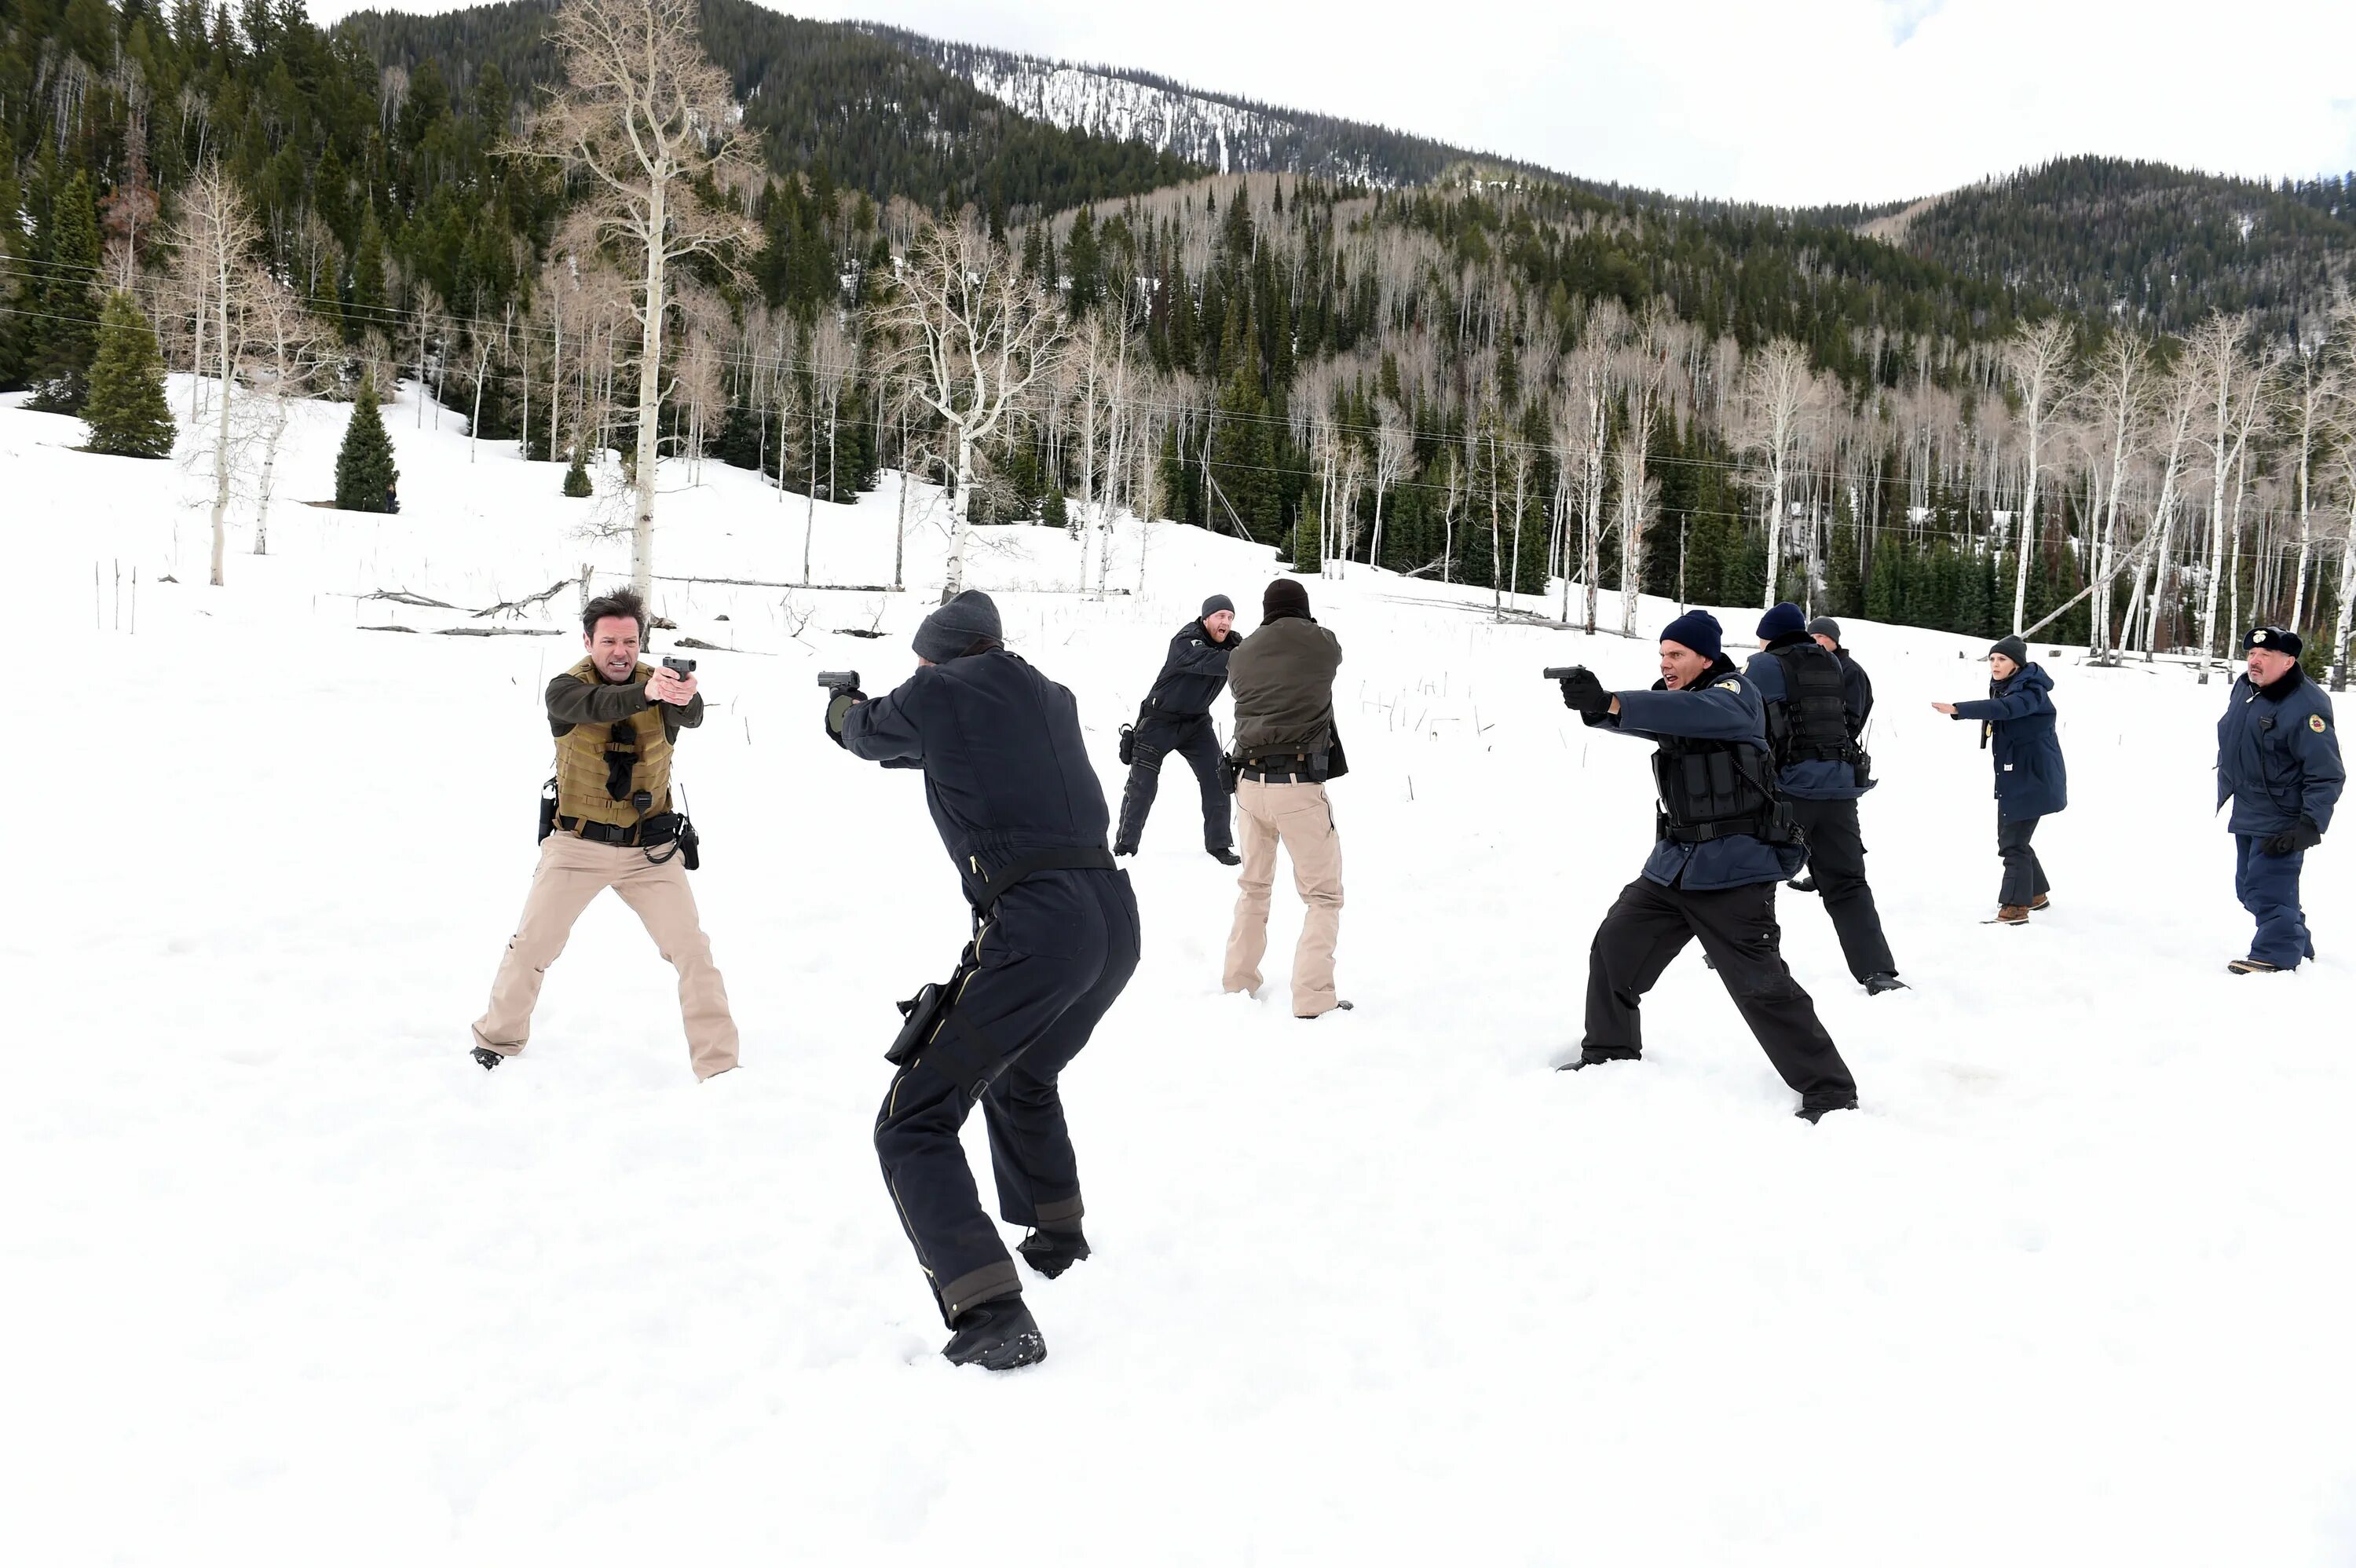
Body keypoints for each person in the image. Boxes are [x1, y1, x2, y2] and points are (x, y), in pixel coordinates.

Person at [828, 590, 1140, 1371]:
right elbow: (939, 749)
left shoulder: (937, 690)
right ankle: (1057, 1236)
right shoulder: (1050, 697)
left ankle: (992, 1311)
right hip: (1114, 919)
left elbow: (871, 735)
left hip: (1039, 924)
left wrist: (841, 707)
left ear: (937, 655)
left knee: (913, 1119)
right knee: (1023, 1070)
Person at [1557, 610, 1860, 1122]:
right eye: (1661, 654)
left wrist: (1613, 701)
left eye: (1675, 655)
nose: (1666, 664)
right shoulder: (1684, 700)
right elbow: (1662, 715)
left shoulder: (1736, 696)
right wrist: (1597, 708)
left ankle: (1830, 1089)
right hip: (1673, 867)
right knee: (1615, 947)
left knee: (1763, 988)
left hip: (1734, 872)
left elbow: (1693, 715)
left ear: (1705, 656)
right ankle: (1610, 1050)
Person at [470, 588, 738, 1079]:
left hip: (650, 852)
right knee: (532, 946)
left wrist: (685, 694)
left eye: (631, 642)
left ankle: (720, 1068)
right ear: (589, 642)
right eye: (610, 641)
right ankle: (498, 1040)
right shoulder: (566, 689)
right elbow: (594, 705)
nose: (621, 652)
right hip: (576, 846)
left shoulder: (659, 685)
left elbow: (692, 715)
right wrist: (650, 693)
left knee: (694, 953)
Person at [1745, 603, 1902, 994]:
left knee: (1756, 875)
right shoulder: (1832, 665)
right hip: (1839, 787)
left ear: (1771, 637)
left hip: (1791, 789)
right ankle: (1877, 972)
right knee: (1848, 883)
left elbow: (1746, 720)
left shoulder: (1764, 666)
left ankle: (1740, 955)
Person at [1222, 578, 1349, 1019]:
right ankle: (1313, 998)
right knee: (1323, 897)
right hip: (1297, 786)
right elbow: (1330, 652)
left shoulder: (1241, 654)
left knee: (1253, 887)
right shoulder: (1321, 645)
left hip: (1248, 787)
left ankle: (1238, 981)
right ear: (1303, 608)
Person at [2215, 626, 2343, 973]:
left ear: (2288, 662)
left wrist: (2310, 823)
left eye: (2265, 656)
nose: (2254, 662)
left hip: (2284, 814)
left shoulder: (2306, 705)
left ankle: (2275, 954)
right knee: (2248, 886)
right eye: (2251, 655)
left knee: (2266, 887)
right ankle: (2297, 941)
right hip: (2250, 805)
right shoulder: (2246, 688)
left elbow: (2327, 771)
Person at [1934, 634, 2066, 924]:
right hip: (2016, 775)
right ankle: (2035, 894)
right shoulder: (2006, 687)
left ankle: (2014, 907)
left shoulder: (2031, 691)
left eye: (2002, 659)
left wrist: (1959, 709)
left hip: (2034, 777)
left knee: (2013, 843)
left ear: (2016, 664)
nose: (1995, 664)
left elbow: (2007, 710)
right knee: (2012, 838)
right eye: (1992, 659)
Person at [1114, 594, 1242, 864]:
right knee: (1143, 787)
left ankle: (1219, 845)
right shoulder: (1186, 640)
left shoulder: (1235, 645)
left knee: (1218, 779)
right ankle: (1125, 847)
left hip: (1197, 723)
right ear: (1206, 618)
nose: (1226, 622)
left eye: (1230, 617)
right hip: (1159, 721)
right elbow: (1212, 662)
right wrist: (1247, 657)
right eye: (1220, 616)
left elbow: (1252, 658)